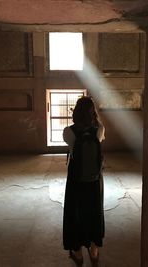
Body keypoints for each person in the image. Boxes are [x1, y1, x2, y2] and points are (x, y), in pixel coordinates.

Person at [63, 96, 105, 266]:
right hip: (95, 180)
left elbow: (71, 149)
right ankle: (94, 252)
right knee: (94, 212)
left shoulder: (68, 132)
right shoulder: (99, 129)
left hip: (76, 180)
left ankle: (78, 254)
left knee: (75, 213)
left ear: (76, 111)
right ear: (92, 111)